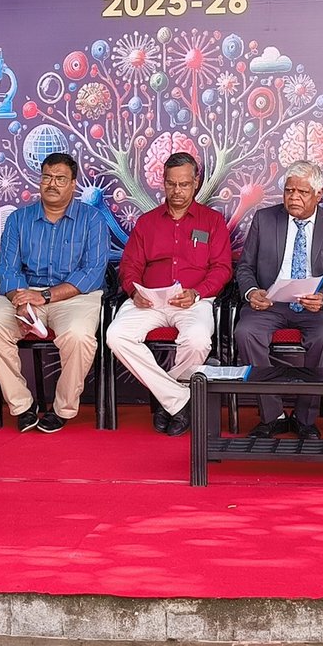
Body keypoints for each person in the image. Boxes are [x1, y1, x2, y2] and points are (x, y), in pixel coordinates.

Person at [0, 152, 110, 433]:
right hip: (24, 294)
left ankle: (62, 409)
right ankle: (23, 405)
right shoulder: (18, 219)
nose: (52, 184)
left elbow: (93, 272)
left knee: (79, 337)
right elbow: (8, 267)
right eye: (47, 177)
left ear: (73, 184)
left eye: (60, 179)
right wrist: (18, 298)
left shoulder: (93, 219)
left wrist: (45, 296)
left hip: (74, 296)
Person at [105, 152, 232, 437]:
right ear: (163, 182)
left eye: (184, 184)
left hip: (193, 301)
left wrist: (197, 292)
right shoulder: (147, 223)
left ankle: (169, 401)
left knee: (198, 340)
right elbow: (129, 266)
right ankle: (180, 400)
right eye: (171, 184)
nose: (177, 191)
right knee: (116, 335)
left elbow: (222, 268)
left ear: (196, 183)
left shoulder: (212, 221)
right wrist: (133, 291)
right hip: (148, 300)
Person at [233, 162, 323, 441]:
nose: (293, 197)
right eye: (289, 191)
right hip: (270, 303)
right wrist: (252, 292)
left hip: (313, 305)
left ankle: (305, 418)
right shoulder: (265, 219)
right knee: (246, 332)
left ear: (319, 194)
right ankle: (272, 416)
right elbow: (245, 267)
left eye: (302, 192)